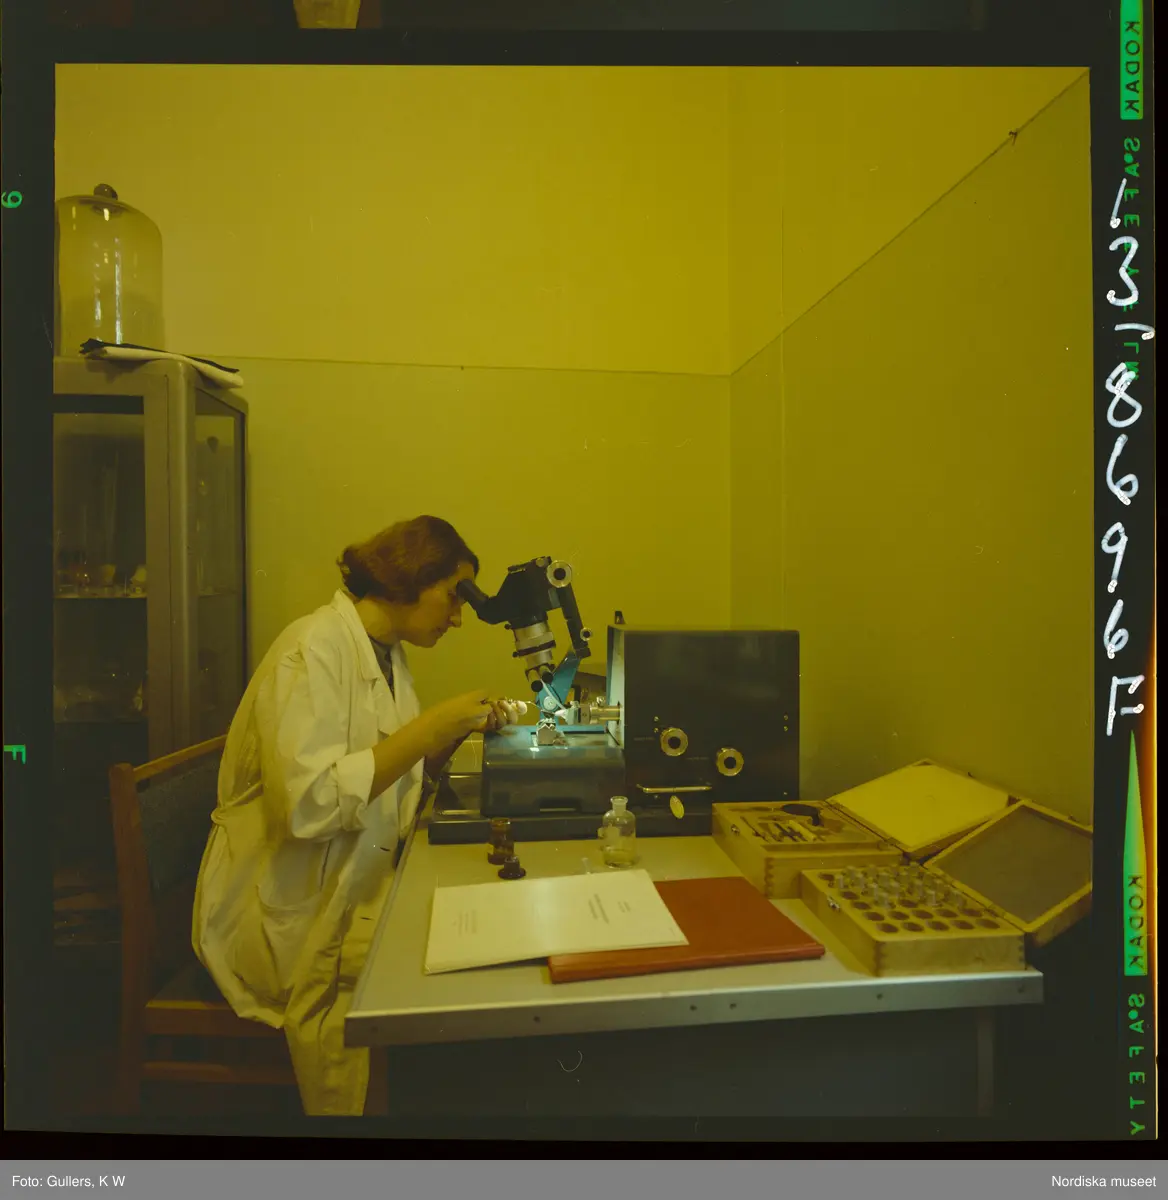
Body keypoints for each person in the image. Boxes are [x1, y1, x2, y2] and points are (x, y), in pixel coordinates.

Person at [193, 516, 520, 1115]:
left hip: (347, 876)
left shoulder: (384, 654)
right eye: (456, 594)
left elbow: (378, 774)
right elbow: (308, 804)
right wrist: (429, 728)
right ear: (411, 577)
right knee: (440, 970)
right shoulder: (311, 648)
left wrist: (445, 740)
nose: (458, 617)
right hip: (284, 910)